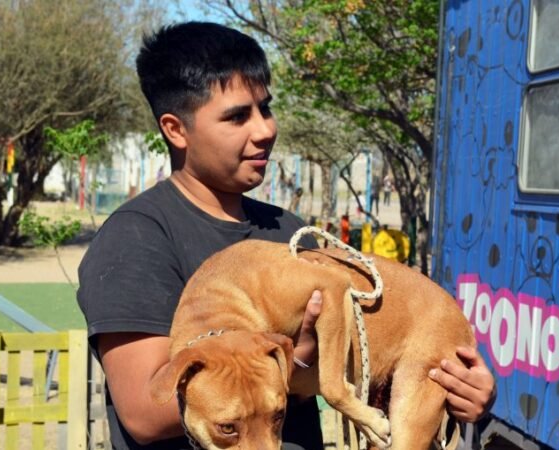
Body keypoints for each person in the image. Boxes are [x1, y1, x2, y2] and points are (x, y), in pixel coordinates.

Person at [76, 21, 495, 450]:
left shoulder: (287, 230)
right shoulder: (136, 239)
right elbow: (144, 413)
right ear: (176, 129)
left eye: (265, 109)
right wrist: (291, 362)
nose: (264, 130)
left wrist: (460, 389)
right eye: (238, 116)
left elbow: (365, 361)